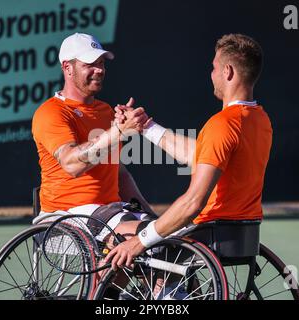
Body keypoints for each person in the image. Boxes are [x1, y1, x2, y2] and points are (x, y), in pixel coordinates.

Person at [106, 33, 273, 270]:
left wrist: (137, 243)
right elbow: (200, 156)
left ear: (227, 72)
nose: (211, 74)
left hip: (206, 233)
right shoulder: (260, 120)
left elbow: (193, 202)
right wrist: (146, 127)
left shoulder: (222, 124)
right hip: (241, 234)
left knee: (117, 233)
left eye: (214, 68)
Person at [32, 33, 155, 243]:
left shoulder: (106, 111)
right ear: (67, 68)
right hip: (63, 217)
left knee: (164, 238)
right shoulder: (51, 112)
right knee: (135, 239)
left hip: (111, 212)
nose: (99, 70)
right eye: (90, 64)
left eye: (101, 63)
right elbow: (72, 164)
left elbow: (120, 174)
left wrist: (151, 215)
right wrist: (117, 133)